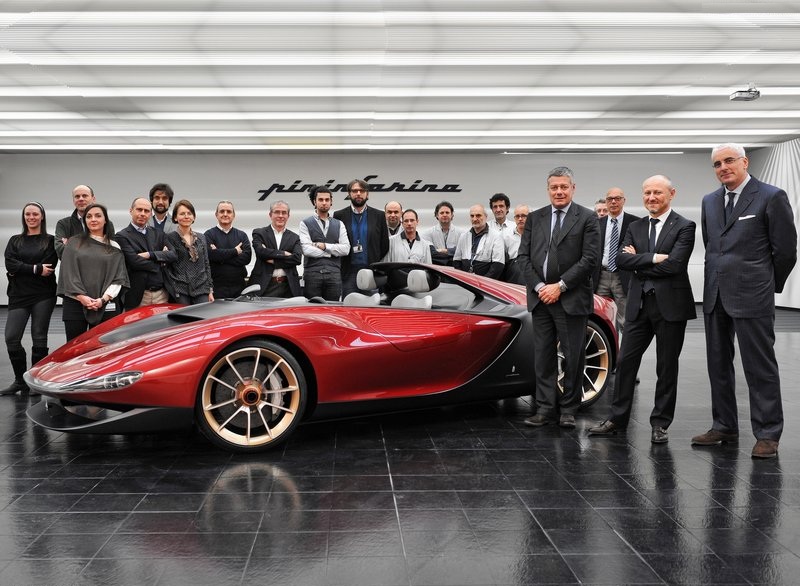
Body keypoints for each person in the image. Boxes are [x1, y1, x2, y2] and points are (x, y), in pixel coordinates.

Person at [691, 143, 798, 459]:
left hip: (753, 294)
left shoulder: (771, 196)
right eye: (717, 164)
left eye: (729, 161)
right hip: (716, 294)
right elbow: (713, 245)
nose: (723, 167)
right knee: (718, 364)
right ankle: (723, 425)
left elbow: (785, 251)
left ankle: (768, 433)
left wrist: (767, 284)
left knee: (759, 366)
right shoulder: (710, 201)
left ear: (745, 162)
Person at [588, 175, 696, 444]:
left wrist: (640, 262)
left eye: (657, 192)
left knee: (666, 366)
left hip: (671, 306)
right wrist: (654, 258)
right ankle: (617, 418)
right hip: (638, 304)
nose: (651, 197)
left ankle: (660, 423)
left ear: (671, 193)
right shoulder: (635, 226)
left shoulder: (685, 226)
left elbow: (676, 265)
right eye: (647, 193)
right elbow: (621, 260)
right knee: (625, 363)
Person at [517, 166, 600, 429]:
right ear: (548, 189)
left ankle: (568, 409)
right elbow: (523, 257)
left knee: (573, 356)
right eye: (554, 187)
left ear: (573, 188)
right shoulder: (535, 218)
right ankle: (545, 408)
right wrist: (540, 286)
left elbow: (589, 259)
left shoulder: (587, 217)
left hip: (571, 298)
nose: (559, 191)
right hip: (541, 298)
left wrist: (560, 286)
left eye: (564, 187)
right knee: (543, 356)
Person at [1, 202, 58, 395]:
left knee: (39, 336)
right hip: (18, 294)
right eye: (28, 214)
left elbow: (48, 267)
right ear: (24, 217)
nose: (31, 217)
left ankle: (35, 381)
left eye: (35, 214)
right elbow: (10, 264)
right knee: (11, 338)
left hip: (43, 294)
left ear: (42, 216)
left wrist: (22, 268)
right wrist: (35, 268)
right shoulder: (15, 240)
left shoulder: (50, 241)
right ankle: (20, 381)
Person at [57, 203, 129, 341]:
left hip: (106, 304)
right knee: (75, 347)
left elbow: (119, 278)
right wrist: (81, 297)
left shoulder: (114, 247)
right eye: (89, 216)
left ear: (105, 220)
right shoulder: (74, 243)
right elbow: (67, 273)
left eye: (98, 216)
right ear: (85, 220)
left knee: (103, 347)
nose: (93, 219)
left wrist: (103, 299)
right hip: (75, 303)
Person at [115, 197, 177, 310]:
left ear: (150, 214)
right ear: (131, 211)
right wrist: (161, 261)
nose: (143, 214)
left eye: (146, 211)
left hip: (162, 294)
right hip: (138, 296)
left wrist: (150, 255)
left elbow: (173, 255)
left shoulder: (159, 234)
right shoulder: (122, 236)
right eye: (139, 210)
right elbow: (134, 262)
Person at [593, 188, 640, 335]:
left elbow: (642, 247)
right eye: (610, 199)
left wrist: (636, 254)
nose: (613, 202)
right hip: (601, 276)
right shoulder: (597, 223)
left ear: (624, 201)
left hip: (623, 276)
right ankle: (607, 348)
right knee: (600, 318)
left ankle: (626, 350)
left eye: (617, 198)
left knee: (625, 321)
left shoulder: (635, 223)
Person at [334, 179, 390, 297]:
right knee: (349, 304)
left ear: (367, 194)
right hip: (348, 272)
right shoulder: (339, 215)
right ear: (349, 194)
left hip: (371, 271)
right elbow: (336, 243)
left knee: (370, 304)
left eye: (362, 191)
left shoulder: (379, 215)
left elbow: (384, 244)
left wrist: (374, 258)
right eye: (355, 191)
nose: (358, 193)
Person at [300, 186, 350, 301]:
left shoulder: (339, 224)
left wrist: (324, 246)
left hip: (334, 274)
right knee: (312, 308)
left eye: (327, 200)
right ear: (314, 202)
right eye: (320, 199)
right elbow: (306, 249)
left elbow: (346, 249)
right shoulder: (305, 223)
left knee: (333, 308)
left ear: (331, 202)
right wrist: (331, 252)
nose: (324, 203)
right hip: (312, 274)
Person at [164, 199, 214, 305]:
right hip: (180, 289)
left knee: (203, 315)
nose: (186, 216)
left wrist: (210, 290)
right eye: (182, 214)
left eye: (189, 213)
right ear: (175, 217)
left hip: (201, 288)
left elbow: (206, 264)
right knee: (183, 316)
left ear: (194, 217)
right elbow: (167, 267)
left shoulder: (201, 237)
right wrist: (173, 287)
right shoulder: (169, 238)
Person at [251, 200, 303, 298]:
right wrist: (284, 254)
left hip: (288, 286)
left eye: (284, 213)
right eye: (277, 212)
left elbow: (297, 259)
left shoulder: (295, 237)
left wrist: (273, 260)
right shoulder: (259, 233)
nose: (280, 215)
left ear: (288, 216)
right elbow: (260, 252)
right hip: (264, 285)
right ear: (270, 215)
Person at [204, 201, 252, 299]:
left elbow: (246, 258)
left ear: (233, 215)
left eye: (229, 211)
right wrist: (235, 251)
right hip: (216, 288)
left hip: (239, 287)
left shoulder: (242, 235)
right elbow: (210, 255)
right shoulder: (208, 235)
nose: (225, 214)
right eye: (222, 211)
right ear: (216, 214)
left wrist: (219, 255)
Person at [55, 184, 115, 258]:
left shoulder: (106, 223)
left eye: (85, 196)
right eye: (77, 196)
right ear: (73, 201)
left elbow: (111, 251)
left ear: (93, 199)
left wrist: (71, 246)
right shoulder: (63, 224)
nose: (81, 199)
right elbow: (61, 251)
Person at [453, 204, 505, 279]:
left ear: (486, 217)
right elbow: (456, 261)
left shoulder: (496, 236)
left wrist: (483, 282)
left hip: (486, 282)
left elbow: (498, 266)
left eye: (478, 215)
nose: (474, 219)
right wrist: (462, 279)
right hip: (465, 281)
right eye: (472, 216)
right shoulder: (463, 236)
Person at [421, 201, 465, 266]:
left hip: (455, 269)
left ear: (452, 214)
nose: (444, 215)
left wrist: (444, 251)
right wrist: (452, 252)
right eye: (442, 213)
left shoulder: (462, 233)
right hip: (435, 268)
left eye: (447, 212)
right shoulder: (427, 233)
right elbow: (429, 253)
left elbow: (463, 251)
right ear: (437, 215)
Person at [501, 204, 529, 285]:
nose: (520, 219)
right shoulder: (506, 236)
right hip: (513, 280)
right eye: (517, 216)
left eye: (523, 216)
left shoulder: (538, 235)